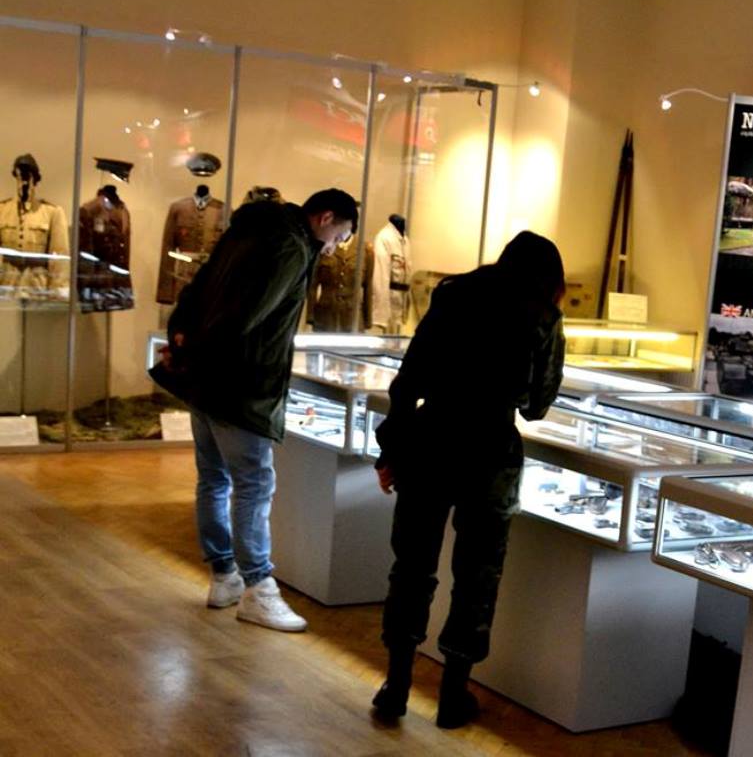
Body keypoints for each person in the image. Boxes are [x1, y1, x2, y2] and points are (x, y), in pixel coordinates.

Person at [370, 231, 565, 728]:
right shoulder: (541, 315)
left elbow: (407, 382)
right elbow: (537, 406)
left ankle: (395, 687)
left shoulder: (452, 296)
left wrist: (392, 449)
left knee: (411, 569)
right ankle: (452, 696)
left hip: (430, 444)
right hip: (490, 455)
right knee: (477, 580)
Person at [151, 188, 358, 632]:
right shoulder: (291, 248)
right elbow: (246, 315)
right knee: (253, 485)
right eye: (340, 236)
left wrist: (186, 346)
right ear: (326, 218)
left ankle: (223, 575)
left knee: (214, 479)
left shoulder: (248, 230)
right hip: (243, 387)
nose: (335, 247)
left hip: (206, 380)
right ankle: (258, 589)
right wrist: (195, 351)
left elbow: (198, 288)